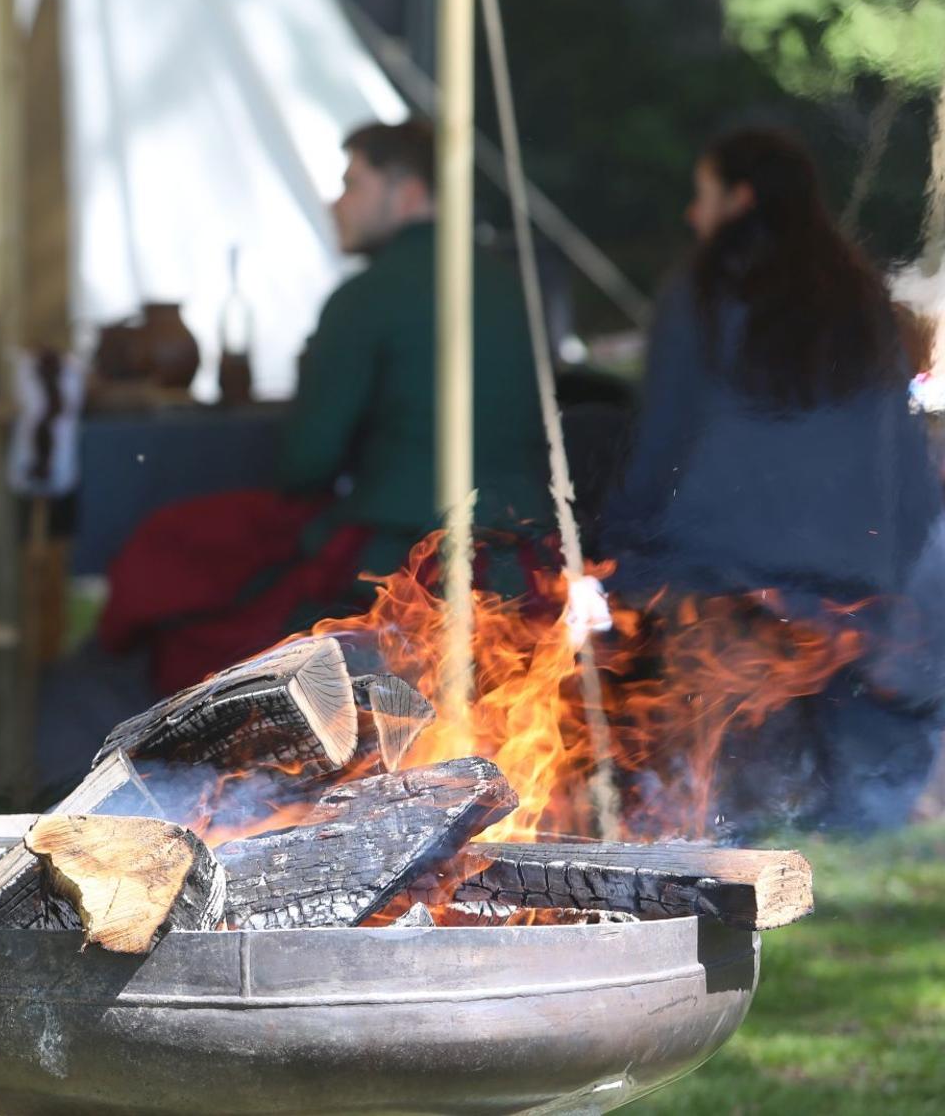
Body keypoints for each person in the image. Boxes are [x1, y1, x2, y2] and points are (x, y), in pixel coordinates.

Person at [95, 120, 548, 696]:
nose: (338, 203)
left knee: (194, 569)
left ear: (406, 194)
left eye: (353, 183)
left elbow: (308, 462)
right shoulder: (509, 285)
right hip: (524, 546)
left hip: (406, 551)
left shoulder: (366, 297)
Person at [599, 128, 945, 834]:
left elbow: (663, 441)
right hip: (852, 588)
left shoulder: (702, 292)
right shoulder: (859, 299)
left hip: (722, 578)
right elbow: (903, 459)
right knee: (818, 801)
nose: (694, 217)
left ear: (740, 197)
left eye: (703, 196)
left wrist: (615, 553)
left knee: (714, 796)